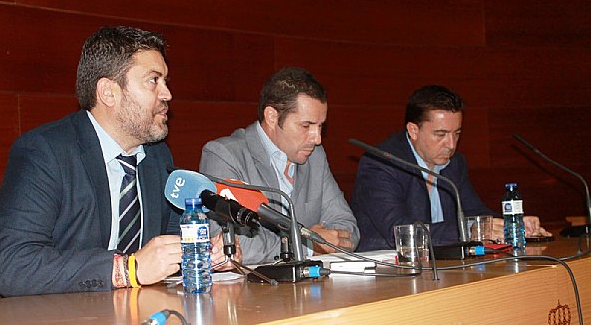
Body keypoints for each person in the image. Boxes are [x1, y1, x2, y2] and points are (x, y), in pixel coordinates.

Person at [0, 26, 230, 298]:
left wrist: (201, 252)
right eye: (153, 80)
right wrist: (127, 269)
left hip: (116, 314)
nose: (167, 94)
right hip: (23, 319)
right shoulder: (45, 152)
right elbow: (14, 267)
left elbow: (167, 242)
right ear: (108, 92)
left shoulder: (156, 156)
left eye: (165, 81)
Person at [351, 85, 550, 251]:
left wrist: (512, 226)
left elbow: (474, 210)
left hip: (443, 264)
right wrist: (472, 230)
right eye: (441, 134)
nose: (451, 144)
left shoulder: (454, 163)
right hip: (388, 269)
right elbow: (399, 231)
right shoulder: (382, 163)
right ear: (413, 130)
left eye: (457, 134)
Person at [199, 66, 359, 265]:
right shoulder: (224, 155)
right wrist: (308, 246)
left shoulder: (315, 157)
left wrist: (322, 242)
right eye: (306, 126)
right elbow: (229, 241)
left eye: (320, 126)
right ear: (272, 117)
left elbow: (347, 228)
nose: (317, 138)